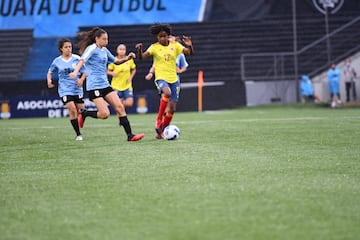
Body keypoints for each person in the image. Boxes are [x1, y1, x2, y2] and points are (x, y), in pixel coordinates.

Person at [69, 27, 144, 142]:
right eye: (104, 39)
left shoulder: (104, 50)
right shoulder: (92, 48)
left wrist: (127, 58)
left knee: (120, 107)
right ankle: (85, 113)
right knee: (104, 114)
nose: (106, 41)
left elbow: (116, 61)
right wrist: (75, 72)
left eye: (107, 39)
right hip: (94, 86)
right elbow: (82, 61)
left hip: (105, 85)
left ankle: (130, 135)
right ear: (97, 39)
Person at [136, 24, 193, 139]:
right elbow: (142, 57)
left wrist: (190, 46)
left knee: (172, 108)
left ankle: (161, 131)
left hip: (174, 79)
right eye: (160, 36)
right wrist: (140, 50)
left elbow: (189, 53)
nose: (162, 38)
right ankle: (158, 119)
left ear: (168, 36)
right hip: (161, 78)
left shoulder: (175, 45)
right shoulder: (154, 47)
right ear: (157, 37)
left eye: (164, 36)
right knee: (166, 93)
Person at [47, 38, 86, 141]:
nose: (68, 49)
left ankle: (80, 120)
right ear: (61, 49)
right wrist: (49, 80)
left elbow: (85, 71)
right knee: (72, 109)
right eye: (66, 47)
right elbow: (50, 71)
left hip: (77, 89)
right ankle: (78, 134)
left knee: (81, 110)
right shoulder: (57, 61)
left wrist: (81, 80)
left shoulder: (77, 58)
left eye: (70, 47)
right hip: (64, 89)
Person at [107, 44, 136, 108]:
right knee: (119, 107)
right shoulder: (114, 60)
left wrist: (131, 77)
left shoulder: (129, 60)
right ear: (117, 51)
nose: (122, 51)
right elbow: (107, 71)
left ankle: (120, 106)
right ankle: (121, 116)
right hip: (116, 86)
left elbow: (133, 70)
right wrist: (112, 73)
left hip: (127, 85)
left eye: (123, 49)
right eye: (120, 49)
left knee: (129, 103)